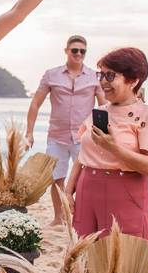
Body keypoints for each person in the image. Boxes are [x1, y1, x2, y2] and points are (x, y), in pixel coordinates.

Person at [65, 48, 148, 241]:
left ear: (133, 80)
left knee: (124, 257)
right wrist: (69, 188)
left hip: (125, 192)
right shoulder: (99, 111)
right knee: (86, 257)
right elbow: (83, 154)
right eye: (101, 75)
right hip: (87, 188)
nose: (103, 81)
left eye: (110, 75)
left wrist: (114, 148)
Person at [25, 35, 105, 226]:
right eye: (74, 50)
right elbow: (36, 103)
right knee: (56, 178)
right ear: (66, 51)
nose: (78, 54)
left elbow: (103, 106)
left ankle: (80, 216)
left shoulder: (94, 77)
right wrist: (29, 132)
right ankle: (58, 218)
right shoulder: (51, 75)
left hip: (84, 137)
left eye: (82, 51)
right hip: (57, 136)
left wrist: (104, 137)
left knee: (84, 179)